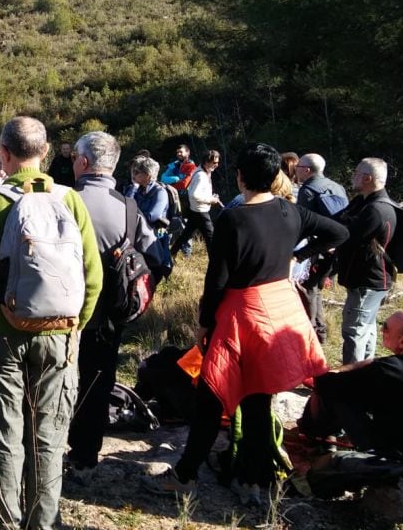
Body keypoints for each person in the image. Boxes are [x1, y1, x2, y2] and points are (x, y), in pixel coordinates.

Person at [145, 143, 348, 503]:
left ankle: (187, 475)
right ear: (275, 177)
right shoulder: (290, 210)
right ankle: (254, 483)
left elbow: (217, 279)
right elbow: (339, 232)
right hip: (279, 308)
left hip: (241, 314)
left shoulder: (233, 219)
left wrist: (204, 323)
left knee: (213, 395)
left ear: (239, 177)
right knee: (258, 399)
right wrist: (298, 254)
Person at [0, 116, 102, 530]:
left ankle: (5, 519)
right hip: (60, 335)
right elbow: (93, 275)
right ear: (47, 153)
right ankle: (44, 521)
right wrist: (73, 326)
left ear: (3, 153)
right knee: (50, 433)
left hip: (1, 337)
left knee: (3, 430)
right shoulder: (71, 200)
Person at [66, 132, 156, 477]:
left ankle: (42, 447)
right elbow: (158, 259)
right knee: (98, 380)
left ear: (85, 163)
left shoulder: (64, 201)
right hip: (109, 315)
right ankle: (85, 455)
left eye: (75, 157)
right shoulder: (130, 208)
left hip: (62, 312)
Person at [298, 310, 403, 489]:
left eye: (386, 328)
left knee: (335, 395)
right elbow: (377, 368)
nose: (381, 331)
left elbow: (324, 384)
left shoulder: (390, 372)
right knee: (352, 392)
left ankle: (315, 442)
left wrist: (343, 370)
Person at [336, 158, 397, 364]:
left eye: (356, 172)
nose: (353, 176)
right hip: (371, 279)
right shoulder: (363, 202)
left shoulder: (376, 210)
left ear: (368, 178)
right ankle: (365, 374)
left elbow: (347, 237)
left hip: (367, 280)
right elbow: (338, 220)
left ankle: (351, 384)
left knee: (355, 331)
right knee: (366, 327)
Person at [295, 153, 349, 343]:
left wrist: (298, 254)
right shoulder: (337, 187)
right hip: (337, 246)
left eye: (299, 166)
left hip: (318, 249)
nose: (296, 169)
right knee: (316, 287)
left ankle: (311, 334)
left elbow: (304, 224)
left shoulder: (307, 190)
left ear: (307, 170)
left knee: (308, 289)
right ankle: (321, 333)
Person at [169, 150, 222, 257]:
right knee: (210, 238)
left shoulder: (204, 171)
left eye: (217, 162)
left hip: (195, 210)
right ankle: (215, 263)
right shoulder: (201, 175)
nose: (217, 165)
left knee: (185, 235)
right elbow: (194, 194)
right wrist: (210, 200)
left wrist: (211, 196)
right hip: (201, 211)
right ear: (207, 162)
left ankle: (171, 254)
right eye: (214, 162)